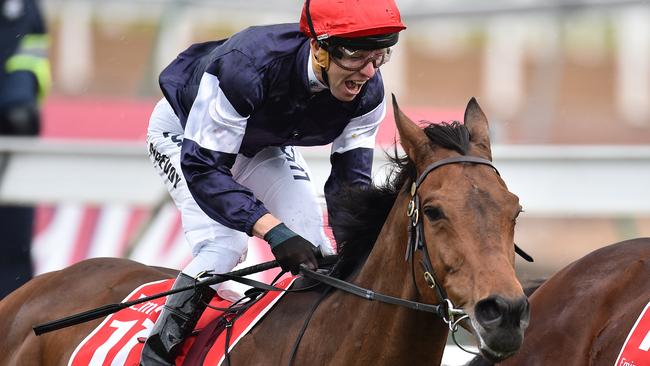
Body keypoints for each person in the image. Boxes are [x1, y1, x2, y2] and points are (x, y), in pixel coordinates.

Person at [142, 0, 405, 363]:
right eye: (357, 54)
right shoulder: (247, 66)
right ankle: (156, 354)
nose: (369, 71)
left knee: (315, 242)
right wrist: (273, 231)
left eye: (381, 56)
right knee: (225, 246)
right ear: (319, 48)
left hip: (260, 140)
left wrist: (358, 258)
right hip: (188, 136)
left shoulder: (368, 96)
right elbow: (205, 168)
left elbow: (350, 187)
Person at [0, 0, 50, 299]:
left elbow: (29, 54)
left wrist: (18, 101)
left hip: (11, 140)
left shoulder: (20, 6)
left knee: (11, 252)